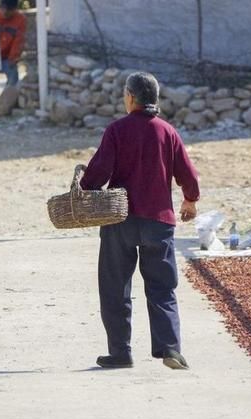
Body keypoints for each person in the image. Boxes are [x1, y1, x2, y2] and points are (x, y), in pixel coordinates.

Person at [80, 72, 200, 370]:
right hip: (159, 221)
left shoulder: (117, 130)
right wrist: (190, 199)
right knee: (162, 287)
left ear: (130, 97)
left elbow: (98, 172)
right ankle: (170, 348)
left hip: (120, 220)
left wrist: (85, 190)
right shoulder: (168, 132)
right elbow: (188, 173)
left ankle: (120, 352)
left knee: (114, 287)